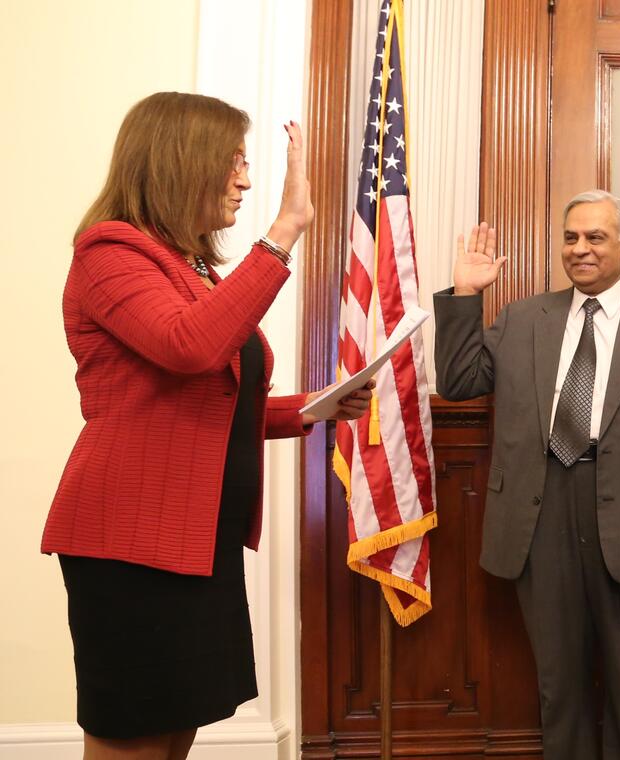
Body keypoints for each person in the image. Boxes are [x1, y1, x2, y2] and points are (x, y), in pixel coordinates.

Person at [41, 92, 372, 760]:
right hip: (129, 539)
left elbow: (211, 397)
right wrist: (281, 234)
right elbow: (189, 346)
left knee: (176, 732)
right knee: (134, 736)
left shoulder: (191, 268)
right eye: (234, 162)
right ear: (181, 162)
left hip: (196, 537)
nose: (246, 179)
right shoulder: (108, 251)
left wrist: (314, 409)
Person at [434, 190, 620, 760]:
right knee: (560, 683)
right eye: (571, 237)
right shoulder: (524, 317)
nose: (579, 249)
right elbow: (458, 381)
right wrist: (464, 295)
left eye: (595, 237)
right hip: (539, 509)